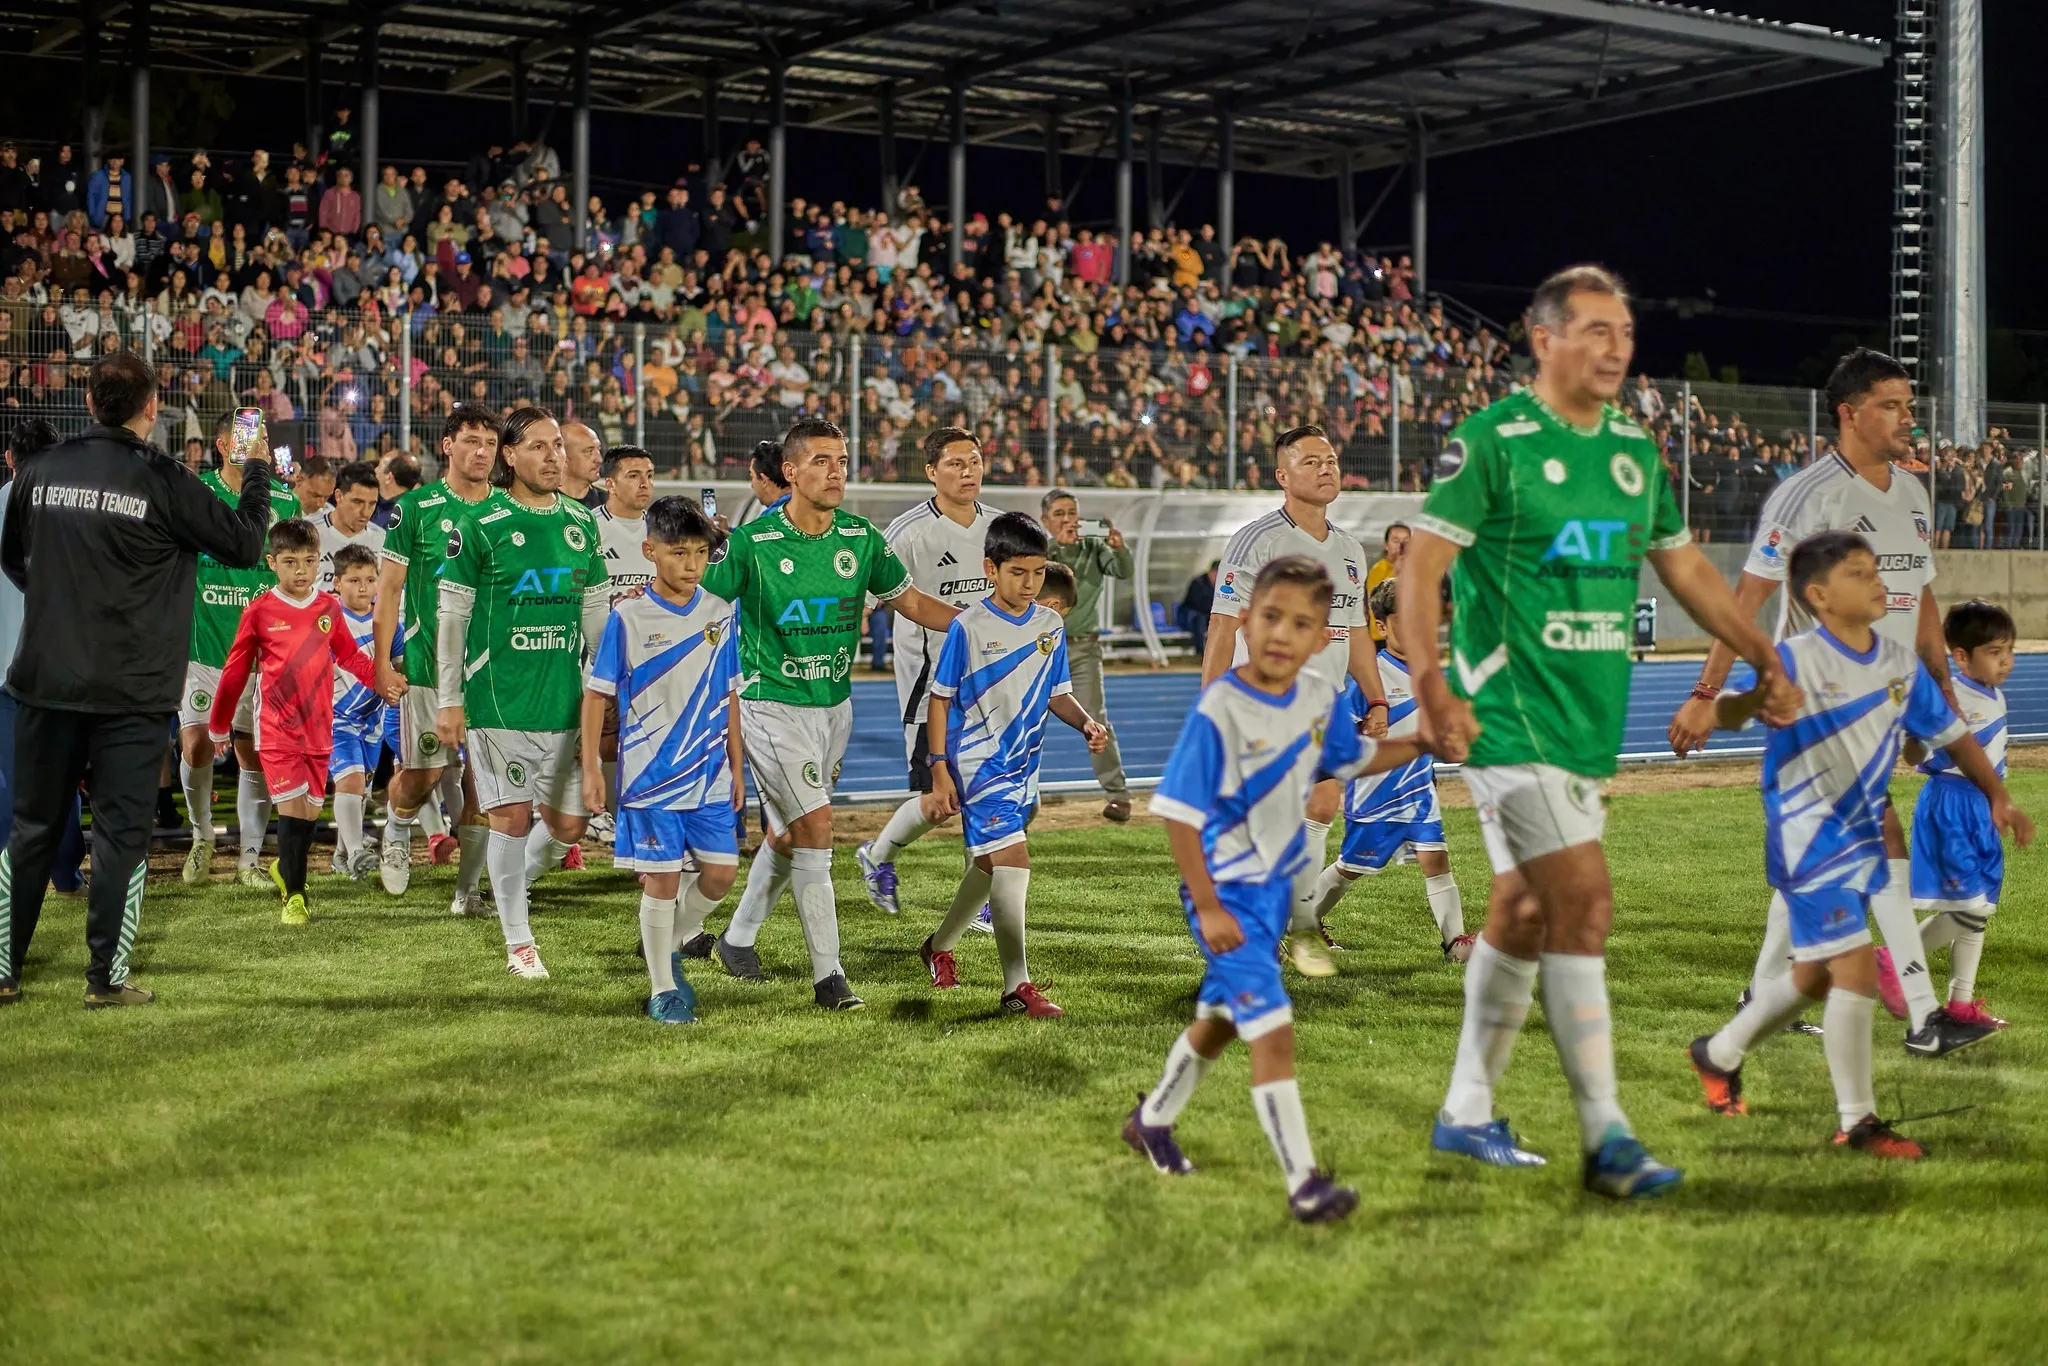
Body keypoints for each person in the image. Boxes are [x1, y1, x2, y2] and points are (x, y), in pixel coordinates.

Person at [1397, 263, 1796, 1195]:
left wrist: (1761, 657)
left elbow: (1688, 570)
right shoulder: (1492, 441)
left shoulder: (1633, 452)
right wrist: (1430, 685)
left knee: (1525, 912)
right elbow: (1420, 569)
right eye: (1597, 331)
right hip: (1507, 714)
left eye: (1625, 333)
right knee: (1586, 904)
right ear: (1545, 339)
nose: (1618, 348)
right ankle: (1608, 1139)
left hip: (1584, 724)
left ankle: (1465, 1111)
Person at [1665, 348, 1978, 1054]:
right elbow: (1746, 600)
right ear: (1850, 412)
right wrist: (1706, 692)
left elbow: (1920, 600)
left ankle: (1757, 999)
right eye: (1893, 405)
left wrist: (1940, 689)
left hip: (1883, 704)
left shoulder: (1913, 494)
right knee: (1877, 838)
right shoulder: (1808, 496)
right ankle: (1925, 1014)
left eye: (1910, 405)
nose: (1909, 419)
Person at [1687, 533, 2030, 1155]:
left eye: (1876, 569)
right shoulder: (1792, 658)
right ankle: (1858, 1122)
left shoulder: (1899, 662)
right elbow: (1742, 709)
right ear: (1819, 596)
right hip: (1807, 832)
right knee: (1852, 971)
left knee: (1818, 976)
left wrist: (1996, 793)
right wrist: (1716, 711)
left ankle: (1720, 1051)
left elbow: (1951, 735)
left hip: (1866, 827)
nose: (1879, 580)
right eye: (1858, 572)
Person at [1124, 556, 1433, 1222]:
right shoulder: (1222, 706)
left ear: (1326, 638)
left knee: (1221, 1023)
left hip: (1267, 900)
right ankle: (1303, 1183)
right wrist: (1205, 905)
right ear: (1245, 621)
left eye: (1301, 624)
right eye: (1269, 617)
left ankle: (1152, 1120)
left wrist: (1420, 743)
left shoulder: (1320, 699)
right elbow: (1179, 813)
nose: (1280, 634)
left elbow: (1350, 759)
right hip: (1224, 893)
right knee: (1275, 1032)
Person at [0, 352, 275, 1007]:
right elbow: (243, 544)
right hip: (132, 690)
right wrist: (258, 465)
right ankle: (105, 981)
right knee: (124, 835)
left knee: (31, 829)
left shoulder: (40, 470)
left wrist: (60, 610)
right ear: (152, 408)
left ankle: (3, 971)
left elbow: (14, 557)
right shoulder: (164, 477)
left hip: (46, 680)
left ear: (90, 402)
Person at [702, 418, 960, 1011]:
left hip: (833, 708)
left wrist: (980, 621)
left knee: (789, 832)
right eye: (820, 461)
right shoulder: (753, 544)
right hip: (770, 705)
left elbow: (913, 602)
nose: (835, 471)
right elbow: (702, 606)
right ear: (789, 471)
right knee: (817, 829)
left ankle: (737, 941)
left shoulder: (862, 538)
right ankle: (830, 978)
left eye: (841, 460)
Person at [1202, 426, 1387, 980]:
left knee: (1321, 808)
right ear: (1282, 476)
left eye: (1331, 459)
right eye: (1311, 461)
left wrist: (1375, 698)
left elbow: (1355, 632)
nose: (1326, 468)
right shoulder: (1256, 540)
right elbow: (1221, 625)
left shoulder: (1350, 549)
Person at [435, 406, 610, 980]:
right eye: (538, 446)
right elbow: (453, 616)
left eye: (557, 445)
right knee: (509, 819)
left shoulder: (582, 525)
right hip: (498, 698)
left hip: (563, 698)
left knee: (569, 825)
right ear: (510, 457)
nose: (553, 456)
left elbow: (594, 614)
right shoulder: (481, 524)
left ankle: (512, 885)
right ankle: (519, 941)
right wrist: (449, 697)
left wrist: (604, 684)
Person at [916, 513, 1108, 1018]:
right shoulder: (969, 626)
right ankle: (1016, 988)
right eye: (1018, 572)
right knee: (1014, 863)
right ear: (991, 569)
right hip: (979, 765)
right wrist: (939, 767)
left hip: (1024, 765)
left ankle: (937, 946)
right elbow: (940, 699)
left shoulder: (1050, 626)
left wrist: (1085, 723)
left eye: (1038, 573)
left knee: (988, 864)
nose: (1029, 583)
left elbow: (1058, 693)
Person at [580, 495, 743, 1025]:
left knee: (720, 875)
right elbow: (596, 695)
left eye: (699, 553)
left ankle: (668, 942)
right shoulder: (627, 617)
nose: (691, 564)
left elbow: (731, 693)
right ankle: (663, 987)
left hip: (711, 773)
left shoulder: (721, 614)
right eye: (678, 553)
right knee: (662, 881)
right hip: (652, 780)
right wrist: (589, 768)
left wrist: (738, 768)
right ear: (650, 551)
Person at [209, 519, 386, 925]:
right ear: (273, 562)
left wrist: (384, 680)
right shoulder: (259, 611)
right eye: (291, 562)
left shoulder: (327, 608)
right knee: (290, 810)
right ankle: (296, 897)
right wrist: (219, 724)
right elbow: (236, 671)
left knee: (307, 815)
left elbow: (351, 657)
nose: (301, 571)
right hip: (276, 728)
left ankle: (285, 870)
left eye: (308, 561)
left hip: (320, 728)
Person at [856, 427, 997, 915]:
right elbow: (866, 599)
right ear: (932, 472)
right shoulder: (908, 531)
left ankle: (978, 897)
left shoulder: (1001, 528)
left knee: (998, 792)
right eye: (955, 464)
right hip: (933, 685)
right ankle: (877, 856)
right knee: (938, 802)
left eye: (974, 461)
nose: (967, 471)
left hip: (997, 686)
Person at [1302, 577, 1472, 962]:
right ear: (1381, 626)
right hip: (1377, 795)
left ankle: (1455, 944)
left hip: (1418, 791)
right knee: (1350, 868)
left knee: (1436, 860)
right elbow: (1340, 735)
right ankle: (1303, 918)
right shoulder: (1371, 678)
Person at [374, 404, 498, 909]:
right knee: (424, 775)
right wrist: (382, 663)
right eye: (471, 440)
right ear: (448, 445)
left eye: (490, 443)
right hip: (428, 667)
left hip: (492, 672)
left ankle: (467, 893)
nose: (482, 452)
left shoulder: (507, 509)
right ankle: (399, 829)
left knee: (484, 789)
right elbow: (389, 591)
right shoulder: (417, 509)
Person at [178, 407, 304, 889]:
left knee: (255, 755)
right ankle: (201, 836)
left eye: (263, 438)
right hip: (206, 646)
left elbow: (290, 572)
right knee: (195, 745)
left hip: (261, 653)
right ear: (222, 444)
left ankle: (250, 857)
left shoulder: (284, 502)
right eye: (247, 437)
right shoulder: (196, 492)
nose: (257, 446)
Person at [1909, 599, 2018, 1030]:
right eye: (1994, 652)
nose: (2006, 661)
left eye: (2009, 650)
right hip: (1951, 806)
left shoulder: (1993, 693)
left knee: (1980, 910)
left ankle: (1959, 1006)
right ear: (1960, 656)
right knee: (1969, 908)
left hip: (1978, 807)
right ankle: (1898, 959)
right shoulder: (1951, 699)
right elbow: (1922, 752)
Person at [0, 419, 85, 897]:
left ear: (9, 459)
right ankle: (66, 874)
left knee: (10, 778)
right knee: (61, 776)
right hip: (56, 669)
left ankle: (10, 878)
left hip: (5, 673)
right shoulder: (71, 515)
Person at [1040, 490, 1134, 822]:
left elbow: (1123, 571)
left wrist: (1119, 547)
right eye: (1059, 513)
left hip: (1082, 648)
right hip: (1038, 645)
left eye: (1072, 513)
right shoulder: (1041, 550)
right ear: (1045, 521)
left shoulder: (1096, 547)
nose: (1067, 519)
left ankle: (1118, 796)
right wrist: (1060, 547)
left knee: (1095, 718)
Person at [585, 443, 658, 843]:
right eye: (634, 475)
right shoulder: (588, 526)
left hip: (652, 656)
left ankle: (625, 816)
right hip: (596, 654)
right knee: (600, 733)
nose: (644, 483)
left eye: (648, 475)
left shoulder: (662, 529)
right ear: (609, 482)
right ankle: (598, 814)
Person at [327, 543, 395, 880]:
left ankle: (341, 854)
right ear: (338, 582)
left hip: (373, 721)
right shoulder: (326, 619)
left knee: (360, 791)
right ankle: (356, 853)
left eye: (370, 580)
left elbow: (399, 665)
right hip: (335, 718)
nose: (364, 587)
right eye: (354, 580)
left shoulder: (387, 619)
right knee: (350, 781)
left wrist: (399, 685)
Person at [313, 460, 384, 592]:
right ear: (339, 496)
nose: (365, 512)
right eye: (358, 502)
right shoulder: (309, 533)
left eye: (372, 504)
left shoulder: (383, 540)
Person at [1365, 521, 1407, 642]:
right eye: (1396, 540)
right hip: (1383, 637)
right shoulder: (1378, 569)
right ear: (1386, 545)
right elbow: (1379, 602)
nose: (1401, 545)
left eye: (1406, 541)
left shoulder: (1417, 570)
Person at [560, 418, 606, 508]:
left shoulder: (610, 505)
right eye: (589, 451)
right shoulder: (542, 505)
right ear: (564, 458)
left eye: (599, 449)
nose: (599, 459)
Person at [1177, 560, 1217, 658]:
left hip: (1208, 614)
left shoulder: (1219, 586)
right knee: (1200, 620)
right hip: (1192, 615)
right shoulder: (1198, 583)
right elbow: (1195, 603)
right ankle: (1200, 653)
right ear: (1212, 572)